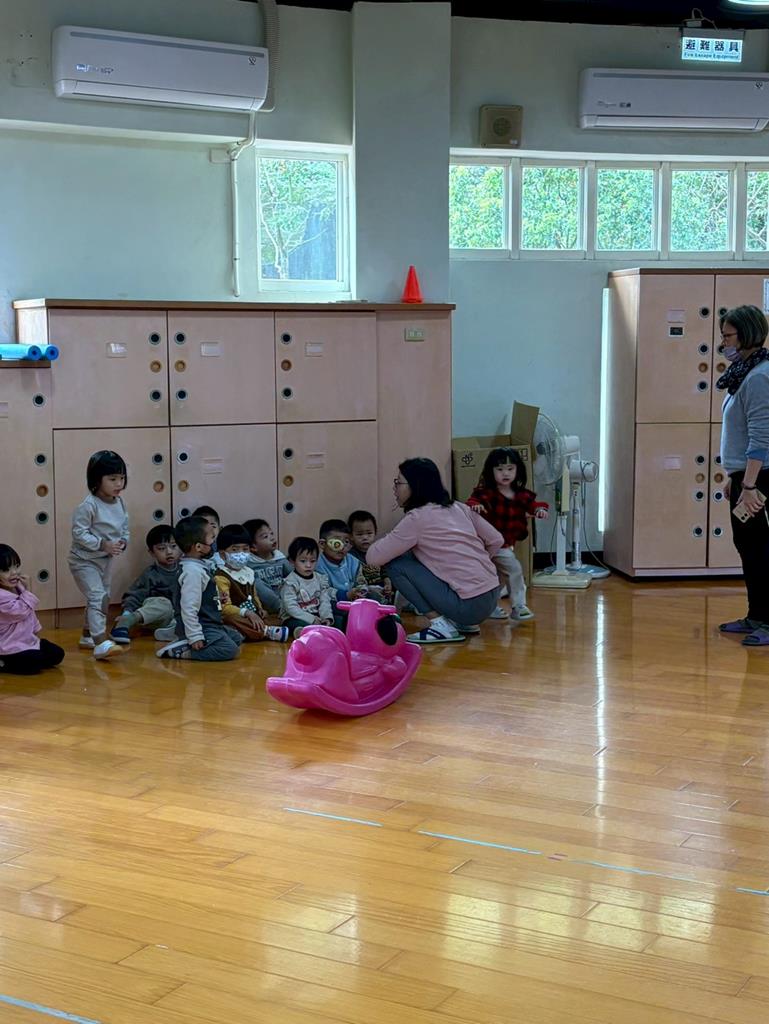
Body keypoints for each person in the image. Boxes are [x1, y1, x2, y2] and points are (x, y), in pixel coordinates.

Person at [367, 458, 502, 644]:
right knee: (415, 554)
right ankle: (461, 622)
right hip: (492, 595)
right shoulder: (459, 507)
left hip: (468, 605)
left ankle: (440, 625)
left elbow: (373, 558)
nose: (394, 488)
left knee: (396, 564)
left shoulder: (417, 518)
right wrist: (476, 566)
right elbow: (496, 539)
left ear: (415, 486)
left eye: (399, 482)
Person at [717, 304, 769, 646]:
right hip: (744, 477)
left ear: (747, 334)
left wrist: (748, 484)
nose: (723, 343)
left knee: (761, 548)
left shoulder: (761, 376)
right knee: (748, 546)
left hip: (760, 479)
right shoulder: (743, 374)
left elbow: (762, 437)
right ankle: (757, 614)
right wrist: (733, 476)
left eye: (728, 336)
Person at [466, 447, 549, 622]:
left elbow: (534, 505)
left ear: (518, 470)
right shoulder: (486, 493)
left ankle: (489, 607)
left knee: (497, 578)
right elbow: (472, 501)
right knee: (514, 569)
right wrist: (476, 506)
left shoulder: (521, 495)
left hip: (507, 543)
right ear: (491, 471)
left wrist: (540, 510)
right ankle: (519, 606)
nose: (505, 473)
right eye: (500, 469)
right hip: (489, 544)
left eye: (510, 469)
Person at [68, 450, 129, 661]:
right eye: (112, 479)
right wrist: (102, 544)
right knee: (97, 596)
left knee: (102, 597)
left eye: (121, 478)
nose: (118, 483)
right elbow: (79, 533)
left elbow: (124, 526)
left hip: (105, 560)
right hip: (83, 561)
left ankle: (87, 636)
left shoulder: (119, 502)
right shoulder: (89, 505)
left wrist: (123, 540)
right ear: (96, 480)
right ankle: (100, 641)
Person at [157, 516, 242, 661]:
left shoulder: (198, 566)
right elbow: (189, 607)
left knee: (236, 638)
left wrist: (216, 598)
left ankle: (184, 639)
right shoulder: (192, 572)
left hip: (211, 623)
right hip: (202, 625)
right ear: (198, 547)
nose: (214, 542)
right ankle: (183, 651)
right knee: (229, 650)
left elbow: (201, 595)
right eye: (211, 538)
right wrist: (195, 636)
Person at [214, 524, 289, 642]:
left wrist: (259, 608)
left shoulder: (249, 572)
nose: (241, 553)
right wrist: (247, 613)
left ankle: (250, 632)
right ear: (223, 555)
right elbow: (224, 607)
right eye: (235, 550)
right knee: (232, 620)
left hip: (251, 614)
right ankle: (265, 632)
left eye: (245, 549)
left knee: (276, 619)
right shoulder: (221, 577)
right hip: (236, 615)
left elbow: (254, 595)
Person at [110, 525, 181, 645]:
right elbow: (134, 596)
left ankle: (170, 631)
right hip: (157, 616)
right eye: (162, 548)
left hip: (179, 617)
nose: (169, 552)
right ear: (152, 553)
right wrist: (126, 614)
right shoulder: (150, 574)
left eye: (173, 546)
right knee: (164, 604)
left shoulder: (186, 570)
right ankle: (126, 622)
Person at [0, 544, 64, 675]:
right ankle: (3, 662)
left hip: (25, 640)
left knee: (57, 654)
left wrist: (35, 631)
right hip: (8, 646)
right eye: (6, 570)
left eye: (16, 566)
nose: (14, 572)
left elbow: (30, 613)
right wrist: (28, 591)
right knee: (33, 663)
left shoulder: (18, 588)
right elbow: (20, 612)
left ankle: (30, 652)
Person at [280, 537, 335, 639]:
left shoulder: (320, 579)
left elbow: (325, 601)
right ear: (292, 561)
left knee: (337, 619)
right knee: (295, 624)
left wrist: (326, 617)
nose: (308, 565)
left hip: (316, 614)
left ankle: (324, 632)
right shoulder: (290, 582)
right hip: (294, 616)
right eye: (303, 561)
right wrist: (311, 619)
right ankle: (304, 633)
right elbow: (291, 608)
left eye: (313, 561)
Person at [317, 519, 367, 627]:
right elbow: (323, 591)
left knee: (373, 598)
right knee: (334, 613)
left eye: (346, 542)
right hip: (332, 602)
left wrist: (361, 590)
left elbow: (361, 581)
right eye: (336, 542)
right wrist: (345, 595)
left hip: (355, 601)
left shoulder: (353, 562)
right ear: (322, 544)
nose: (342, 546)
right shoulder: (317, 565)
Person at [243, 518, 291, 615]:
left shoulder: (280, 558)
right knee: (256, 583)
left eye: (271, 533)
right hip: (267, 603)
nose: (272, 538)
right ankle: (281, 608)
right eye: (265, 536)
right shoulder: (250, 564)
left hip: (285, 597)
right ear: (253, 547)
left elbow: (292, 574)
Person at [348, 510, 393, 602]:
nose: (365, 537)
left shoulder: (379, 551)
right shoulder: (350, 556)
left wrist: (387, 583)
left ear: (375, 532)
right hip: (364, 592)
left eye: (369, 533)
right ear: (351, 536)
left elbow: (385, 572)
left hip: (382, 589)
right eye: (359, 534)